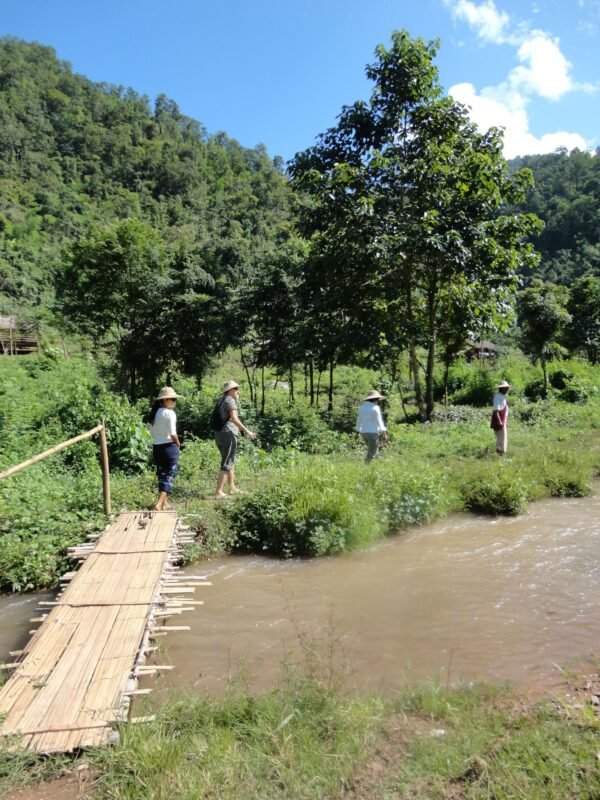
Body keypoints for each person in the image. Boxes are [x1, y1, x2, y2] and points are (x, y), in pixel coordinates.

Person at [213, 380, 256, 499]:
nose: (238, 391)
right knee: (227, 462)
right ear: (230, 390)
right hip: (228, 434)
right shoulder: (230, 400)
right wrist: (247, 431)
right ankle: (219, 492)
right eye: (236, 389)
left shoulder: (221, 399)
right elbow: (234, 419)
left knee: (229, 461)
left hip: (219, 434)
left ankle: (232, 488)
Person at [148, 386, 181, 511]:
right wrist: (178, 444)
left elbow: (153, 432)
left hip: (157, 448)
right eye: (172, 399)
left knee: (162, 474)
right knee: (169, 475)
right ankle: (159, 503)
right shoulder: (170, 413)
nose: (174, 401)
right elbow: (173, 433)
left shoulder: (155, 413)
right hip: (169, 447)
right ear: (165, 400)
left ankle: (165, 503)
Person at [355, 390, 388, 462]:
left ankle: (377, 466)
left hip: (364, 433)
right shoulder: (375, 408)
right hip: (373, 433)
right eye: (377, 399)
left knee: (374, 450)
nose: (378, 400)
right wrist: (384, 433)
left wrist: (357, 432)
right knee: (371, 453)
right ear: (375, 399)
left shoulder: (362, 407)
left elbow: (359, 420)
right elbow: (379, 421)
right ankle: (366, 467)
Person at [491, 380, 510, 455]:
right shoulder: (498, 397)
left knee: (500, 438)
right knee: (503, 438)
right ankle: (502, 455)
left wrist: (505, 421)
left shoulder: (503, 397)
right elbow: (496, 410)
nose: (507, 389)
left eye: (507, 388)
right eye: (505, 388)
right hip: (500, 419)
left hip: (503, 419)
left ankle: (499, 453)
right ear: (501, 389)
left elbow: (504, 411)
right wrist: (500, 421)